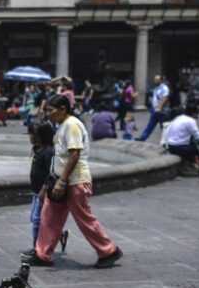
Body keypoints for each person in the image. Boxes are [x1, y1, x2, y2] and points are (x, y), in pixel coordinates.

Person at [23, 95, 122, 269]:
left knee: (85, 219)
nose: (48, 115)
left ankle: (108, 251)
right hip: (60, 180)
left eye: (51, 110)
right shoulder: (62, 126)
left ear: (63, 109)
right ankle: (43, 254)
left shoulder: (72, 125)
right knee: (48, 217)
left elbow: (75, 154)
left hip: (74, 181)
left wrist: (62, 182)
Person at [161, 103, 199, 179]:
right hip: (179, 147)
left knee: (197, 145)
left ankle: (196, 166)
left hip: (171, 145)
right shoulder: (190, 121)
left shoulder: (179, 117)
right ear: (194, 113)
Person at [28, 122, 55, 245]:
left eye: (32, 134)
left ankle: (36, 247)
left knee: (36, 219)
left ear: (40, 136)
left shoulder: (48, 152)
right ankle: (60, 234)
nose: (30, 136)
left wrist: (45, 188)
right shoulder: (38, 150)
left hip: (42, 192)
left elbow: (51, 172)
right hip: (35, 192)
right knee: (33, 218)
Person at [136, 75, 170, 142]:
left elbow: (165, 98)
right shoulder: (156, 88)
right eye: (155, 79)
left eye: (157, 80)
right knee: (150, 126)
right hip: (155, 110)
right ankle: (142, 139)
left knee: (164, 127)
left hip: (162, 111)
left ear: (161, 80)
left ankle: (166, 142)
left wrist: (160, 107)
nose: (155, 81)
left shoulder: (164, 88)